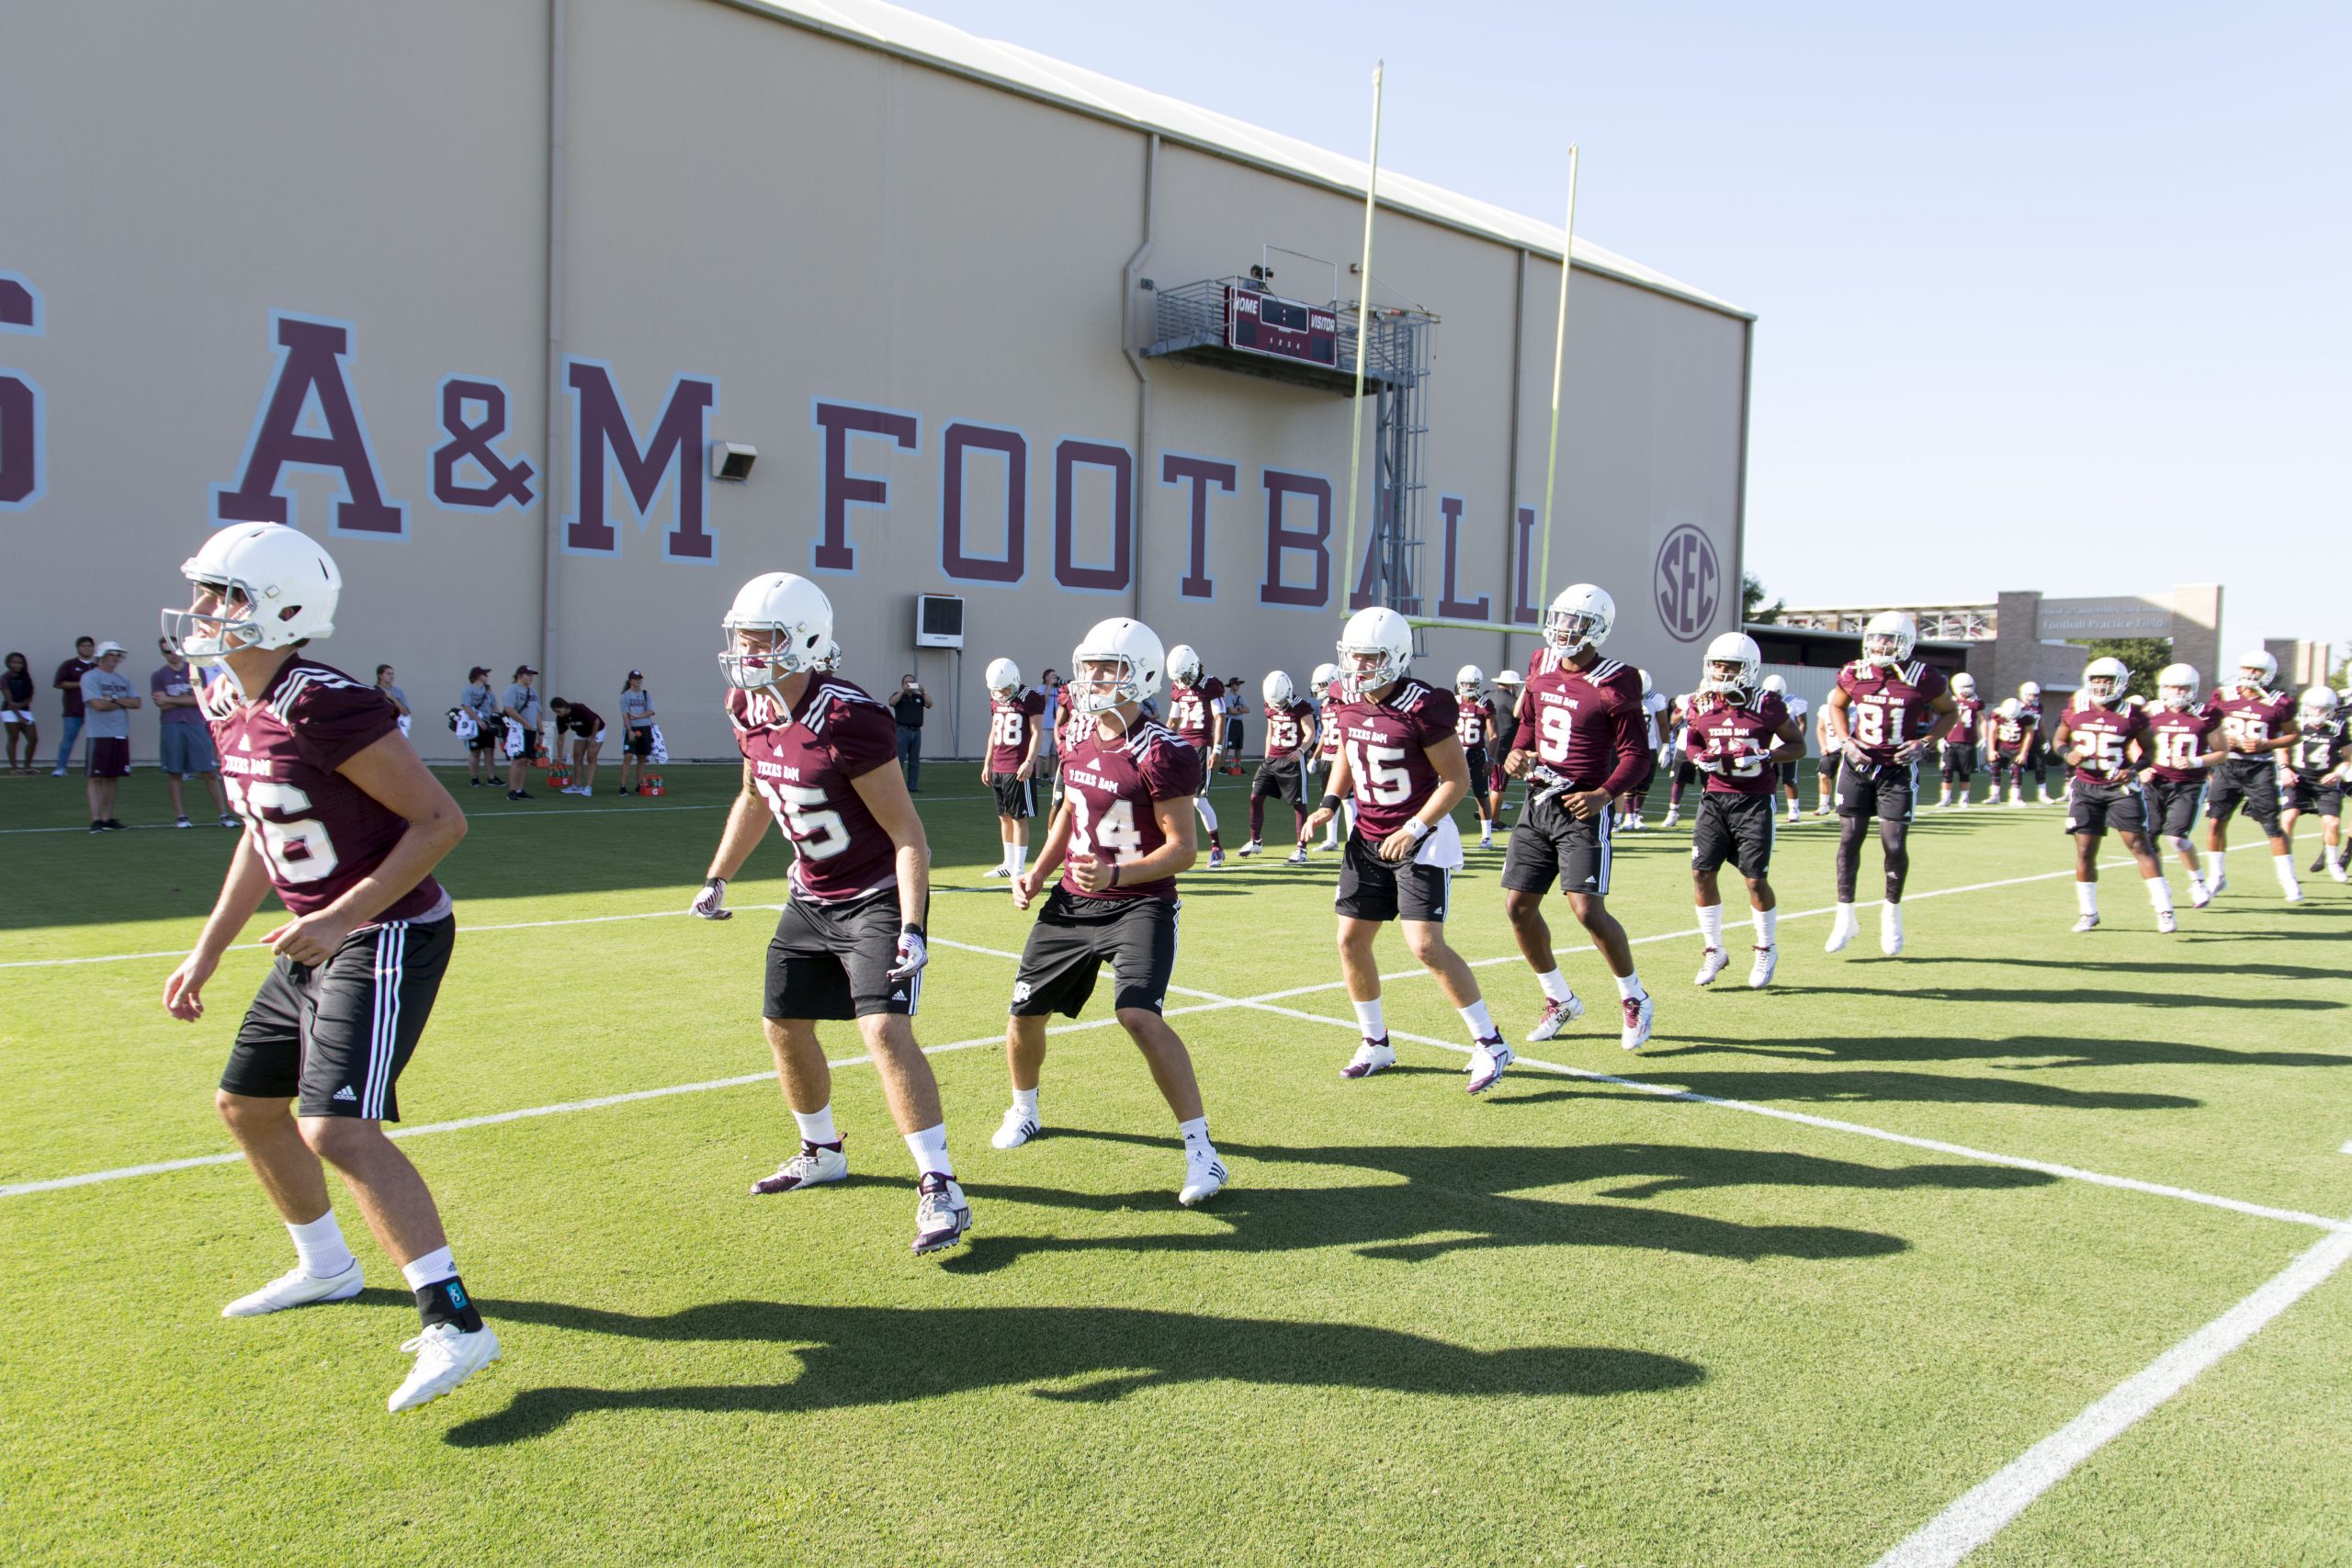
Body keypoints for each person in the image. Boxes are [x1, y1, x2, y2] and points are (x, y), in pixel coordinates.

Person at [158, 522, 492, 1414]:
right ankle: (325, 1266)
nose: (200, 610)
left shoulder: (322, 702)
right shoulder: (223, 693)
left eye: (221, 594)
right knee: (246, 1105)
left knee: (337, 1128)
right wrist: (209, 945)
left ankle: (456, 1324)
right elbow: (263, 837)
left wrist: (343, 915)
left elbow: (441, 822)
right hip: (316, 933)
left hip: (386, 933)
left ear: (278, 608)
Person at [691, 572, 968, 1255]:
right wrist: (718, 874)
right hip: (809, 893)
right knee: (782, 1026)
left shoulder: (850, 718)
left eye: (764, 638)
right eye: (743, 636)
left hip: (874, 892)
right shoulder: (746, 703)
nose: (748, 650)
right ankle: (822, 1149)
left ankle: (940, 1183)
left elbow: (908, 834)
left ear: (806, 642)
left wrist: (911, 923)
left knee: (883, 1029)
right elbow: (756, 795)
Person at [991, 616, 1227, 1208]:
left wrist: (1118, 874)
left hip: (1139, 902)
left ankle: (1202, 1150)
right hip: (1071, 901)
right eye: (1090, 665)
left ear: (1141, 675)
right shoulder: (1074, 733)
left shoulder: (1163, 750)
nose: (1094, 677)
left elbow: (1184, 850)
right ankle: (1025, 1109)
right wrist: (1039, 871)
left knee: (1139, 1016)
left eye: (1109, 668)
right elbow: (1070, 813)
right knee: (1024, 1014)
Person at [1306, 607, 1511, 1090]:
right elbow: (1349, 753)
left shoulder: (1427, 705)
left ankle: (1491, 1043)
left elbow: (1456, 779)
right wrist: (1331, 803)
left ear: (1396, 656)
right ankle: (1375, 1043)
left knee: (1425, 945)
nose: (1358, 667)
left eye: (1369, 657)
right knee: (1351, 941)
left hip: (1419, 838)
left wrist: (1416, 828)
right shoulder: (1343, 697)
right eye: (1352, 656)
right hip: (1368, 836)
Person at [1499, 583, 1657, 1052]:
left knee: (1586, 909)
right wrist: (1517, 752)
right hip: (1538, 802)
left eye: (1577, 622)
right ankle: (1559, 999)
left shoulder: (1616, 678)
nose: (1564, 629)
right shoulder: (1539, 662)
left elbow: (1638, 755)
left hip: (1581, 807)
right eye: (1561, 618)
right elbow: (1529, 721)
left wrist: (1605, 794)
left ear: (1598, 629)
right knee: (1518, 907)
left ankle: (1635, 997)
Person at [1820, 612, 1955, 956]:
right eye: (1877, 638)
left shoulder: (1923, 676)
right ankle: (1845, 916)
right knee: (1849, 840)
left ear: (1905, 644)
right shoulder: (1854, 672)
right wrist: (1845, 740)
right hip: (1857, 765)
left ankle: (1891, 914)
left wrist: (1925, 743)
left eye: (1889, 639)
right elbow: (1836, 705)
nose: (1881, 645)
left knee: (1893, 844)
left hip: (1896, 768)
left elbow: (1949, 712)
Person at [1683, 634, 1804, 988]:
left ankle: (1766, 947)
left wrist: (1765, 755)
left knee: (1754, 879)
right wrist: (1697, 758)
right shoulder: (1700, 702)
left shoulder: (1766, 704)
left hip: (1754, 801)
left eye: (1730, 665)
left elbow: (1797, 745)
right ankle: (1713, 949)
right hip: (1714, 799)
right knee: (1702, 873)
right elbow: (1692, 740)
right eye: (1717, 664)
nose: (1721, 671)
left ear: (1747, 669)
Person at [2052, 657, 2176, 932]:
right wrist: (2065, 753)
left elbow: (2151, 751)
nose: (2101, 684)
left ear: (2120, 683)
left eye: (2107, 679)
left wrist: (2132, 770)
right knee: (2084, 851)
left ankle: (2164, 908)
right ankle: (2088, 912)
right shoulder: (2076, 707)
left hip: (2119, 788)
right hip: (2085, 787)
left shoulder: (2133, 714)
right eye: (2097, 679)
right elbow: (2059, 739)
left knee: (2139, 846)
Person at [2201, 649, 2301, 902]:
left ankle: (2288, 880)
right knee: (2216, 821)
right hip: (2228, 767)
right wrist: (2224, 739)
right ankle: (2216, 876)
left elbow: (2294, 735)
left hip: (2259, 767)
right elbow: (2208, 726)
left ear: (2267, 674)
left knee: (2271, 825)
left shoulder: (2280, 701)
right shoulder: (2223, 695)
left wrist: (2265, 744)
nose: (2250, 674)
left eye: (2256, 670)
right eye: (2247, 669)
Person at [2139, 663, 2223, 908]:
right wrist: (2142, 766)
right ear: (2163, 688)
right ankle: (2160, 888)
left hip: (2188, 783)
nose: (2178, 692)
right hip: (2155, 782)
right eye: (2172, 687)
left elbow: (2222, 753)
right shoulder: (2150, 711)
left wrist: (2194, 761)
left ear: (2193, 689)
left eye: (2183, 687)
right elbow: (2133, 741)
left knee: (2176, 837)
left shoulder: (2205, 714)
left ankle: (2197, 882)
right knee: (2149, 838)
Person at [153, 637, 235, 828]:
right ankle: (181, 816)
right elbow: (160, 704)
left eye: (173, 650)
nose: (171, 654)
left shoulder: (195, 671)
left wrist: (172, 699)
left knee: (209, 771)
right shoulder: (158, 676)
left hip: (196, 724)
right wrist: (184, 698)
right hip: (171, 724)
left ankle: (223, 814)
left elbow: (200, 700)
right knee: (174, 772)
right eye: (166, 651)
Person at [1240, 671, 1317, 864]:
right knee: (1255, 797)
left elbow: (1310, 732)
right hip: (1272, 759)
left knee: (1298, 805)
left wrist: (1301, 750)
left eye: (1281, 701)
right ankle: (1255, 841)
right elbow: (1270, 731)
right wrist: (1267, 756)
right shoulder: (1270, 703)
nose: (1278, 705)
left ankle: (1302, 849)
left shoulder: (1301, 706)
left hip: (1291, 760)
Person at [1162, 645, 1228, 869]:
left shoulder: (1210, 684)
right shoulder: (1178, 687)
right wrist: (1160, 745)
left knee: (1199, 799)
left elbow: (1220, 717)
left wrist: (1218, 748)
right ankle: (1170, 844)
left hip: (1201, 745)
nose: (1183, 681)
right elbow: (1172, 721)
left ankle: (1216, 848)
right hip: (1181, 745)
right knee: (1171, 797)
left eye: (1185, 675)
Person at [980, 657, 1046, 881]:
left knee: (1019, 818)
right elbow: (993, 730)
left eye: (1006, 687)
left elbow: (1037, 732)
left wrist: (1029, 761)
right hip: (999, 764)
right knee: (1004, 817)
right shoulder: (995, 697)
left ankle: (1018, 867)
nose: (1003, 692)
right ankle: (1008, 863)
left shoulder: (1031, 698)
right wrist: (988, 762)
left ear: (1015, 680)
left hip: (1018, 766)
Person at [2280, 687, 2349, 882]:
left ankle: (2333, 862)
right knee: (2288, 818)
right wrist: (2285, 768)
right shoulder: (2297, 724)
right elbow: (2282, 749)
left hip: (2325, 780)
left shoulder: (2338, 727)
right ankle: (2287, 866)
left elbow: (2347, 757)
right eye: (2311, 708)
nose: (2315, 713)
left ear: (2331, 710)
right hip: (2298, 780)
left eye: (2320, 709)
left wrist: (2338, 773)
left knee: (2333, 823)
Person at [79, 641, 141, 830]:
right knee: (96, 777)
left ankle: (107, 818)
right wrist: (122, 702)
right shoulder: (90, 677)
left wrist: (112, 699)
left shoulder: (124, 680)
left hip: (120, 733)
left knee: (113, 776)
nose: (115, 657)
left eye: (117, 654)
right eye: (111, 654)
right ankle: (95, 819)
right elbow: (97, 705)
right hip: (99, 734)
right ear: (102, 656)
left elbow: (137, 703)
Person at [1619, 671, 1669, 830]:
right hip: (1630, 745)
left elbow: (1663, 723)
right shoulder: (1623, 696)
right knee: (1628, 782)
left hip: (1650, 746)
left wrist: (1666, 745)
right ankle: (1628, 816)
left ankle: (1636, 814)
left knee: (1645, 783)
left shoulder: (1655, 699)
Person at [1453, 665, 1498, 848]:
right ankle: (1437, 828)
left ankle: (1487, 835)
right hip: (1455, 753)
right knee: (1441, 791)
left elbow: (1494, 735)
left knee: (1482, 795)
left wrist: (1491, 759)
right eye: (1465, 683)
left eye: (1472, 684)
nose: (1468, 687)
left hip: (1477, 754)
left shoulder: (1484, 704)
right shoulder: (1453, 702)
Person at [1761, 673, 1810, 824]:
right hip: (1769, 747)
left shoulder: (1794, 702)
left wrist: (1797, 741)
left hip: (1787, 747)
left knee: (1789, 779)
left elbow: (1802, 723)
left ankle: (1794, 811)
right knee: (1769, 780)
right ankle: (1771, 810)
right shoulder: (1761, 701)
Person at [1312, 660, 1349, 850]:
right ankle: (1331, 840)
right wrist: (1314, 757)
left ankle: (1352, 840)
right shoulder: (1324, 706)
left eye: (1323, 685)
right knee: (1328, 799)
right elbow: (1325, 735)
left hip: (1342, 757)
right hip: (1327, 757)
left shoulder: (1345, 703)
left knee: (1349, 801)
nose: (1320, 689)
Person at [1936, 671, 1984, 809]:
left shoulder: (1976, 703)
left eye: (1970, 686)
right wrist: (1940, 738)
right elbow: (1940, 720)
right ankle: (1945, 798)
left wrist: (1984, 737)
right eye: (1965, 686)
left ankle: (1964, 799)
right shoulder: (1949, 701)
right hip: (1950, 741)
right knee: (1947, 771)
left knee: (1965, 772)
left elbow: (1983, 720)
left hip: (1967, 742)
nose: (1968, 689)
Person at [51, 633, 96, 775]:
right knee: (68, 738)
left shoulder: (97, 667)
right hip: (73, 710)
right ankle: (61, 767)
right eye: (83, 646)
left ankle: (92, 767)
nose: (87, 648)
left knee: (95, 739)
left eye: (89, 646)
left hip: (94, 709)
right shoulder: (69, 665)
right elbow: (59, 683)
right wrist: (81, 683)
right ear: (78, 648)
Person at [1487, 668, 1523, 832]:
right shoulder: (1511, 701)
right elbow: (1522, 717)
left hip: (1484, 746)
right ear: (1512, 685)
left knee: (1488, 786)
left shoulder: (1488, 696)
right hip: (1501, 750)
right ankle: (1493, 821)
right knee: (1498, 787)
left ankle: (1487, 817)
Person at [548, 697, 605, 796]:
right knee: (577, 756)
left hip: (597, 730)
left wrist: (593, 738)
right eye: (555, 711)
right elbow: (560, 737)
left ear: (564, 706)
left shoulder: (579, 708)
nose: (557, 713)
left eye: (558, 710)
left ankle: (588, 787)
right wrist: (559, 757)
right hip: (581, 732)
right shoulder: (560, 718)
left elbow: (596, 721)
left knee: (591, 756)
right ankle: (577, 786)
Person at [501, 664, 541, 800]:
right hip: (517, 730)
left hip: (530, 730)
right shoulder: (512, 690)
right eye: (528, 675)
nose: (531, 677)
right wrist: (525, 723)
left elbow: (537, 712)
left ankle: (519, 789)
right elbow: (509, 709)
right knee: (518, 759)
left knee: (525, 760)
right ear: (520, 676)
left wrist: (540, 730)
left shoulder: (533, 692)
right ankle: (512, 790)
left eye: (532, 675)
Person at [458, 667, 501, 787]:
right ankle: (474, 777)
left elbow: (494, 707)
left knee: (489, 751)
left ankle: (491, 777)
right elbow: (466, 707)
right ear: (477, 675)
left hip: (488, 723)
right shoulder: (468, 690)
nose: (487, 676)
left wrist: (498, 721)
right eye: (484, 674)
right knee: (475, 751)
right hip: (474, 724)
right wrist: (479, 721)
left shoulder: (488, 691)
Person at [1988, 697, 2035, 807]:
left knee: (2016, 770)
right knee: (1995, 768)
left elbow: (2029, 735)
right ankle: (1994, 795)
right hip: (2002, 747)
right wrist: (1991, 750)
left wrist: (2023, 753)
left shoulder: (2027, 716)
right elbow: (1993, 731)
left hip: (2017, 748)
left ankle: (2015, 797)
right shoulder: (1997, 714)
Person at [888, 674, 932, 791]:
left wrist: (924, 692)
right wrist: (903, 692)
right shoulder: (899, 695)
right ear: (903, 684)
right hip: (902, 731)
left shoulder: (919, 697)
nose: (909, 684)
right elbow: (892, 702)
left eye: (912, 682)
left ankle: (912, 786)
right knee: (899, 760)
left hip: (916, 732)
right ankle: (895, 786)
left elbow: (930, 704)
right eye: (907, 682)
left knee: (914, 761)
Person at [616, 670, 656, 794]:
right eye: (635, 679)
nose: (638, 681)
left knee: (642, 757)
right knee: (628, 756)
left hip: (645, 727)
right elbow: (625, 715)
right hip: (632, 728)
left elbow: (651, 711)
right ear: (630, 681)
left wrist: (637, 716)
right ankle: (622, 786)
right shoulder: (625, 696)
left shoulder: (646, 694)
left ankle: (639, 785)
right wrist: (629, 730)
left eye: (639, 679)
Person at [2017, 681, 2055, 804]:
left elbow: (2041, 723)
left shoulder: (2038, 706)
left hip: (2035, 739)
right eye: (2030, 695)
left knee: (2040, 766)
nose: (2032, 698)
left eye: (2035, 695)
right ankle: (2016, 794)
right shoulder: (2017, 706)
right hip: (2019, 739)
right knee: (2017, 767)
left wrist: (2046, 739)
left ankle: (2042, 793)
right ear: (2023, 694)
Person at [3, 650, 38, 773]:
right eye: (14, 662)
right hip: (10, 712)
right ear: (8, 663)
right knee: (13, 737)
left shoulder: (26, 677)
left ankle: (27, 766)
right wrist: (19, 716)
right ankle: (14, 768)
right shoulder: (5, 678)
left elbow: (30, 696)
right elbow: (9, 701)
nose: (17, 665)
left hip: (25, 710)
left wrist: (22, 705)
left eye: (20, 663)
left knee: (33, 738)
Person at [374, 665, 412, 738]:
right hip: (380, 729)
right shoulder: (374, 691)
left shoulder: (398, 692)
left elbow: (405, 713)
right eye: (388, 674)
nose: (391, 676)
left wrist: (392, 698)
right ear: (380, 676)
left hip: (396, 727)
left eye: (392, 674)